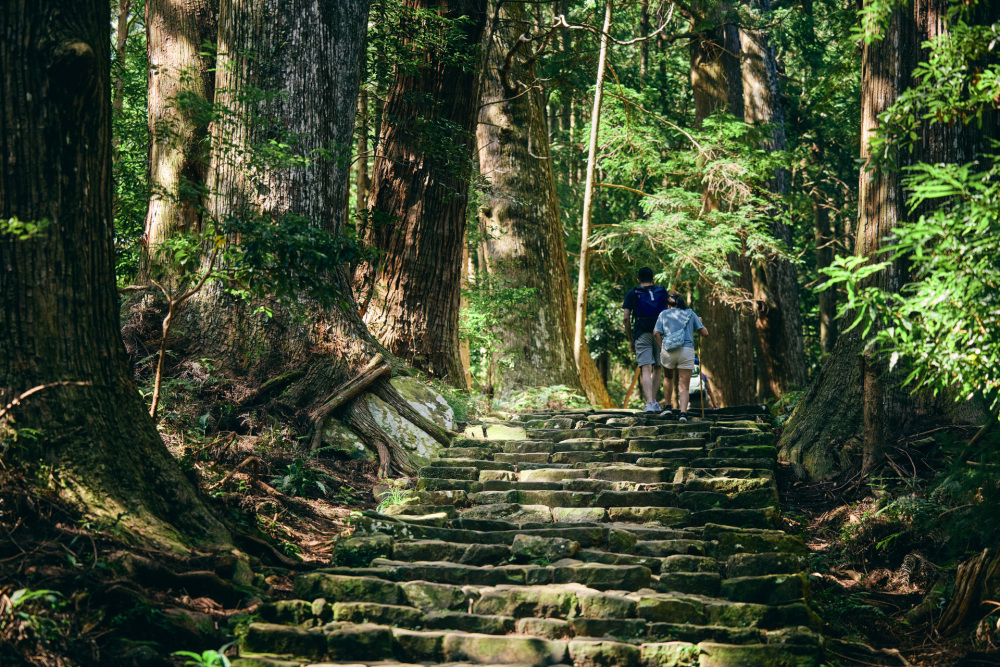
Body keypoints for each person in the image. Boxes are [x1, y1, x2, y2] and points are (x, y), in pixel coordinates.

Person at [653, 293, 709, 421]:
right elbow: (705, 333)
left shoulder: (664, 314)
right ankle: (683, 413)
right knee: (684, 385)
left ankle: (667, 407)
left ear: (669, 304)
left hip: (668, 350)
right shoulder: (690, 313)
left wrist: (662, 347)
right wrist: (700, 323)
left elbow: (656, 333)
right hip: (686, 350)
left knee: (668, 377)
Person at [622, 267, 668, 412]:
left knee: (646, 368)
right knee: (658, 367)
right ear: (653, 280)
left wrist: (630, 339)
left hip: (642, 332)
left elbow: (626, 318)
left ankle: (649, 404)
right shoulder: (661, 291)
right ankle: (655, 402)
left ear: (638, 280)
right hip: (660, 333)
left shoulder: (632, 293)